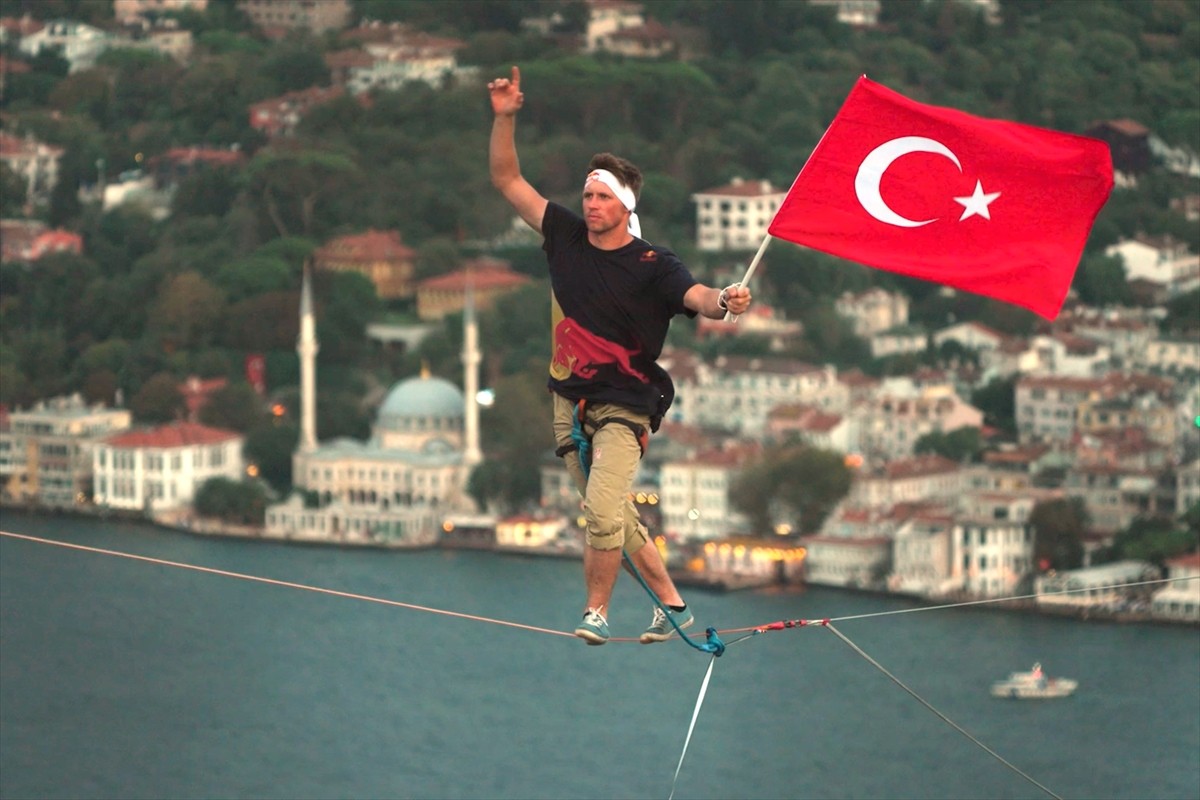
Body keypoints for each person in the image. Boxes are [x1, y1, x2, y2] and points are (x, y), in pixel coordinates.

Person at [487, 66, 752, 646]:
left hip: (626, 403)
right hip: (568, 400)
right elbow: (508, 179)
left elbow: (698, 298)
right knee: (617, 515)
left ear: (626, 204)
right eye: (586, 194)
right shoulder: (563, 236)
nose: (590, 204)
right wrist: (505, 118)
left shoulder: (655, 263)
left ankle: (597, 613)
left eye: (602, 195)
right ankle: (675, 606)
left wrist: (726, 300)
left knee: (601, 512)